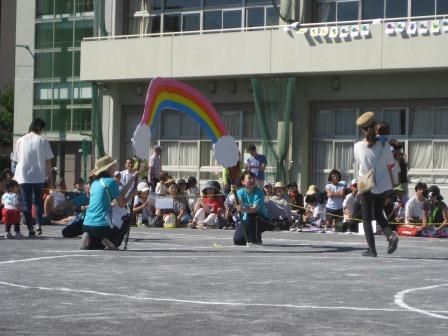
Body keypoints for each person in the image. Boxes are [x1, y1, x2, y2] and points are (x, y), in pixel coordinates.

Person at [354, 112, 399, 257]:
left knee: (366, 218)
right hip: (384, 183)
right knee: (379, 213)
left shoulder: (358, 146)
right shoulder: (385, 146)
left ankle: (372, 250)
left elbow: (360, 164)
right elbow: (391, 164)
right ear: (375, 125)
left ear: (362, 129)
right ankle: (391, 236)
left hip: (366, 182)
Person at [81, 155, 138, 250]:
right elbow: (122, 204)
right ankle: (112, 240)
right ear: (108, 168)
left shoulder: (95, 182)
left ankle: (90, 240)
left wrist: (132, 179)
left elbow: (120, 194)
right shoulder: (111, 182)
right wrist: (131, 195)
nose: (116, 168)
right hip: (102, 226)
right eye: (114, 166)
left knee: (97, 245)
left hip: (87, 224)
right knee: (127, 219)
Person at [12, 118, 54, 237]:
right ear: (40, 128)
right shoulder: (43, 140)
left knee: (26, 202)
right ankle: (38, 225)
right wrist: (51, 179)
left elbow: (15, 160)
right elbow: (48, 162)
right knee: (38, 202)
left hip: (24, 176)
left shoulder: (20, 140)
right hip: (39, 175)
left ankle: (30, 228)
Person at [233, 172, 270, 246]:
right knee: (238, 240)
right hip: (246, 219)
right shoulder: (240, 192)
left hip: (262, 220)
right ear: (243, 182)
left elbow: (255, 209)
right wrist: (234, 193)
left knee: (253, 215)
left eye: (253, 178)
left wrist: (243, 209)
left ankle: (254, 240)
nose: (252, 180)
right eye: (249, 178)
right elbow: (239, 204)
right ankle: (254, 237)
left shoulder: (259, 192)